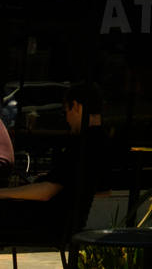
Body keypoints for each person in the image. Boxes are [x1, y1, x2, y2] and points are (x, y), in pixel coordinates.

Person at [0, 83, 107, 230]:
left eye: (65, 112)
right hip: (65, 223)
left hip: (46, 223)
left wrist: (3, 193)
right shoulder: (101, 141)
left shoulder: (81, 145)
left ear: (75, 106)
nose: (67, 120)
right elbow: (105, 190)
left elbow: (45, 193)